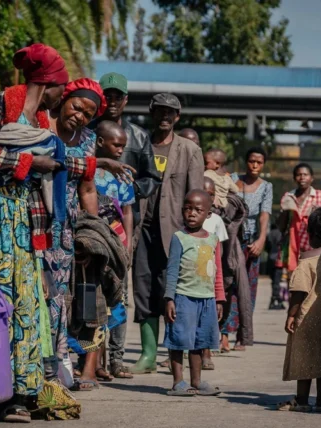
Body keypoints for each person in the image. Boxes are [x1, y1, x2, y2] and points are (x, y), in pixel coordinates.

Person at [0, 42, 71, 422]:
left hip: (25, 221)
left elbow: (51, 168)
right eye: (61, 88)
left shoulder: (43, 123)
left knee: (28, 307)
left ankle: (20, 393)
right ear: (48, 83)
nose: (63, 96)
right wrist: (31, 161)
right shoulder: (2, 103)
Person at [131, 93, 204, 374]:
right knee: (143, 290)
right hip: (142, 230)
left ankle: (176, 351)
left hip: (175, 233)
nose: (165, 116)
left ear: (178, 116)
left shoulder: (189, 150)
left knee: (173, 291)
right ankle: (148, 354)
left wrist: (192, 234)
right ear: (151, 112)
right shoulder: (139, 144)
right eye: (159, 111)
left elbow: (196, 194)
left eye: (170, 112)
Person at [45, 78, 103, 391]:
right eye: (77, 106)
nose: (80, 115)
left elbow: (88, 187)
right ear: (65, 98)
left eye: (88, 113)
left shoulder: (89, 139)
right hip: (34, 219)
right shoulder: (43, 124)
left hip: (65, 228)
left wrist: (93, 233)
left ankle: (56, 361)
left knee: (59, 296)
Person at [280, 207, 321, 412]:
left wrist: (291, 315)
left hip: (307, 319)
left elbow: (299, 292)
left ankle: (303, 400)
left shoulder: (306, 259)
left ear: (310, 233)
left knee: (305, 359)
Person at [163, 190, 224, 397]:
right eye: (188, 208)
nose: (192, 213)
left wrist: (219, 299)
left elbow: (218, 272)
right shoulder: (179, 238)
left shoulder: (214, 240)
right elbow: (172, 270)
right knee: (179, 340)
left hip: (206, 299)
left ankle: (196, 381)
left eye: (198, 210)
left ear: (208, 214)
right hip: (183, 297)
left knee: (200, 342)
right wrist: (170, 298)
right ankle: (178, 381)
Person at [92, 72, 161, 237]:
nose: (113, 102)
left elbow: (153, 178)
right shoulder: (85, 131)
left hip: (124, 222)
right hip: (89, 220)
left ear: (126, 100)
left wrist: (132, 188)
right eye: (108, 96)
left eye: (118, 97)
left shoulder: (139, 136)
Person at [93, 121, 134, 380]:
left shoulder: (123, 175)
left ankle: (117, 359)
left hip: (117, 244)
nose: (120, 150)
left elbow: (128, 212)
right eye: (116, 145)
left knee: (119, 300)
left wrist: (128, 244)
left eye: (123, 146)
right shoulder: (86, 169)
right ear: (99, 142)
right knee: (92, 301)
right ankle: (92, 360)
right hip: (92, 244)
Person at [221, 147, 272, 351]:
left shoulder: (266, 187)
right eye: (251, 161)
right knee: (227, 285)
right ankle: (223, 332)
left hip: (250, 243)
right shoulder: (233, 178)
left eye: (259, 162)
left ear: (263, 165)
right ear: (246, 162)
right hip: (231, 239)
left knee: (246, 289)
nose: (255, 165)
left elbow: (264, 214)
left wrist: (261, 239)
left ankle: (242, 333)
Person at [280, 163, 321, 275]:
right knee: (293, 279)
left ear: (312, 178)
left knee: (312, 277)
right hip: (292, 245)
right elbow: (282, 226)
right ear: (294, 178)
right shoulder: (288, 196)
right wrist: (286, 210)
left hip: (312, 244)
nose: (302, 177)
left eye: (305, 174)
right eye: (299, 175)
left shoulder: (320, 195)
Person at [201, 176, 228, 369]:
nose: (207, 198)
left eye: (210, 194)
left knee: (207, 318)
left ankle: (206, 353)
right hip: (190, 276)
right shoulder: (187, 216)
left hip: (209, 276)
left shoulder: (217, 220)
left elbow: (220, 253)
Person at [265, 223, 285, 310]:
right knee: (277, 280)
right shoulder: (280, 234)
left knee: (273, 280)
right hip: (278, 259)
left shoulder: (269, 234)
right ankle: (276, 297)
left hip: (270, 259)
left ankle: (275, 296)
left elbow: (266, 247)